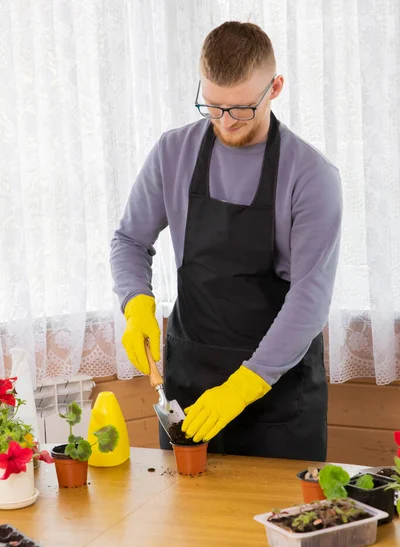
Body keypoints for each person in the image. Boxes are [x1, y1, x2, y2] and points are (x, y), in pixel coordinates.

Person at [110, 21, 342, 461]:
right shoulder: (172, 152)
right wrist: (135, 301)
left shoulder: (312, 176)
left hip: (278, 394)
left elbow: (310, 298)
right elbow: (129, 240)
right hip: (190, 382)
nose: (225, 122)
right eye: (213, 107)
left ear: (274, 88)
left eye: (239, 109)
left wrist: (242, 387)